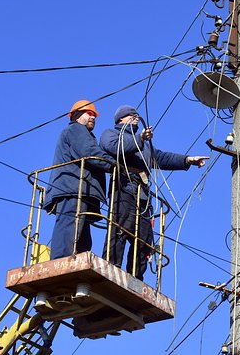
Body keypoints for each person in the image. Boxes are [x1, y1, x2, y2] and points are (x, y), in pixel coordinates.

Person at [100, 105, 208, 280]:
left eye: (136, 115)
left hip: (142, 196)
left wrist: (187, 160)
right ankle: (111, 269)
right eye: (131, 115)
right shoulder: (111, 134)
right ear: (121, 119)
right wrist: (140, 139)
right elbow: (113, 147)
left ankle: (135, 277)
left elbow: (162, 158)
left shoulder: (144, 145)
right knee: (119, 230)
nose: (136, 118)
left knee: (144, 239)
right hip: (123, 189)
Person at [44, 100, 115, 259]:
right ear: (76, 116)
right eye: (88, 113)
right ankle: (60, 262)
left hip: (78, 189)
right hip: (73, 188)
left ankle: (74, 260)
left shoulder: (79, 133)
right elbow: (90, 152)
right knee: (69, 230)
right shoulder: (76, 130)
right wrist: (114, 166)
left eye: (94, 115)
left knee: (80, 237)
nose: (93, 117)